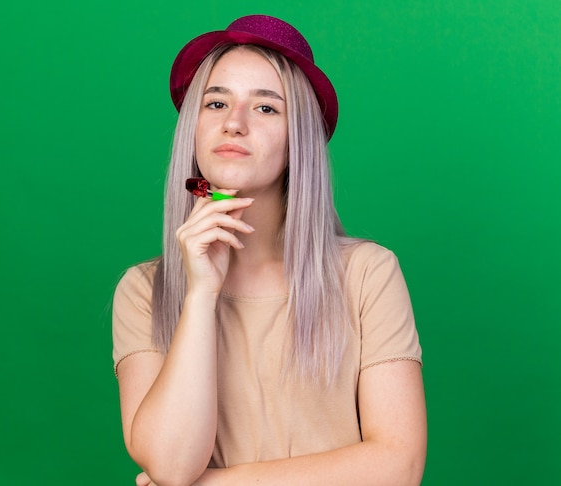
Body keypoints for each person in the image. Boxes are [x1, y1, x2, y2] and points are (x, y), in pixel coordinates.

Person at [112, 14, 426, 486]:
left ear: (298, 139)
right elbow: (172, 465)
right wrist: (200, 294)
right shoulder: (143, 290)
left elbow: (398, 466)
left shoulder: (367, 273)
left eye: (266, 108)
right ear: (193, 129)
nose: (234, 124)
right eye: (216, 102)